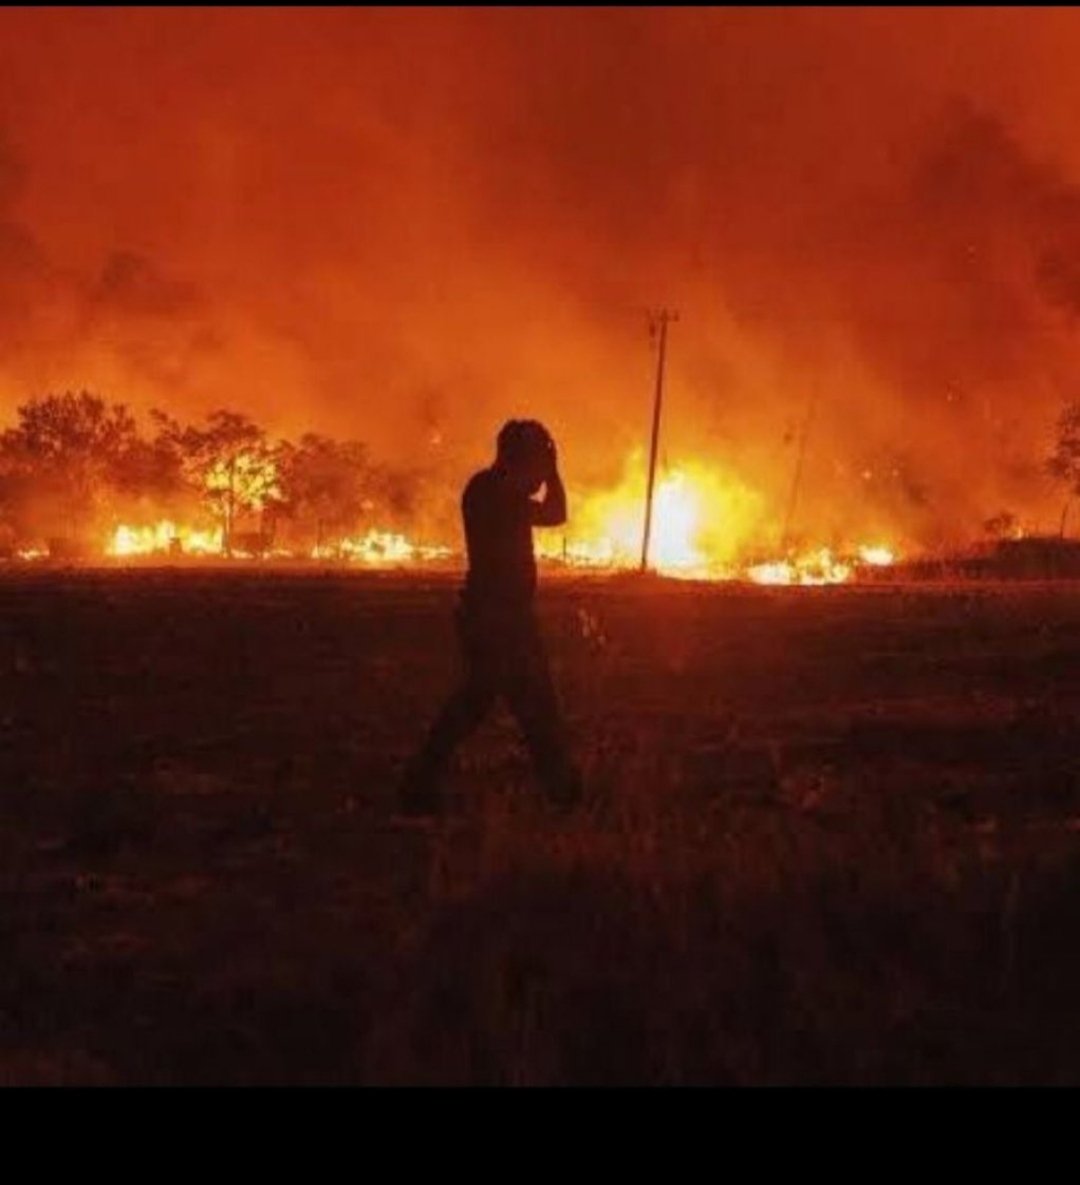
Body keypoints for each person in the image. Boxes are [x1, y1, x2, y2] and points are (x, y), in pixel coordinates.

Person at [398, 419, 582, 817]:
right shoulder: (489, 491)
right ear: (518, 458)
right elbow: (553, 512)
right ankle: (561, 790)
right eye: (535, 462)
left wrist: (548, 470)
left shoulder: (496, 490)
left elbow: (555, 513)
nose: (538, 476)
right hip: (495, 618)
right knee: (519, 704)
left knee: (502, 703)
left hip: (507, 616)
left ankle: (560, 788)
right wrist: (552, 471)